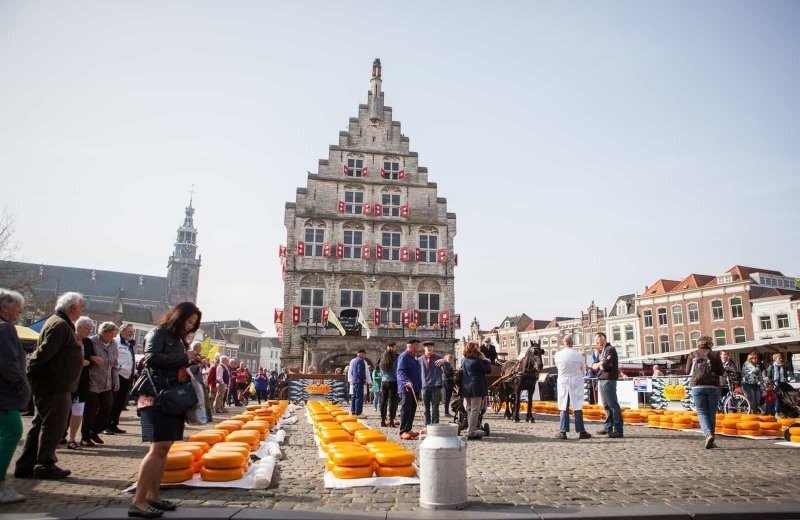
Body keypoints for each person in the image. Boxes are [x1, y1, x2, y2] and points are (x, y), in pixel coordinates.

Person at [130, 301, 202, 518]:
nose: (190, 326)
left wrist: (192, 363)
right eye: (189, 321)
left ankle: (154, 496)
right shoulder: (158, 333)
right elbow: (150, 359)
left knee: (164, 449)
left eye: (193, 324)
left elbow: (174, 364)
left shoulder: (179, 341)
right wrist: (184, 357)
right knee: (157, 448)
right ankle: (139, 500)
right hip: (155, 397)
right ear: (179, 317)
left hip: (171, 398)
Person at [15, 292, 85, 480]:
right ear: (72, 308)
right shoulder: (60, 325)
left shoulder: (59, 323)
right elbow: (41, 355)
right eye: (81, 307)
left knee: (40, 425)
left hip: (55, 385)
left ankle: (26, 464)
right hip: (55, 386)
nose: (82, 310)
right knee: (53, 426)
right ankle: (45, 463)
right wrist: (31, 376)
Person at [0, 289, 31, 503]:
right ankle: (1, 486)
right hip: (5, 395)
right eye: (18, 307)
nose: (20, 311)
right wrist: (22, 386)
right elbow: (9, 363)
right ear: (4, 307)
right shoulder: (5, 329)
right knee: (13, 431)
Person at [81, 322, 119, 447]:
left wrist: (116, 380)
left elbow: (114, 365)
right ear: (103, 332)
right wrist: (92, 358)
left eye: (114, 334)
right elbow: (84, 356)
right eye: (111, 334)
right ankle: (85, 437)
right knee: (90, 410)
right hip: (92, 381)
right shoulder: (91, 341)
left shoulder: (113, 344)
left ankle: (94, 431)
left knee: (107, 406)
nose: (113, 337)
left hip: (107, 382)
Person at [685, 335, 724, 449]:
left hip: (697, 386)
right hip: (713, 386)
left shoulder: (693, 354)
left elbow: (687, 371)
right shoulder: (715, 354)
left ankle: (707, 434)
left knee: (701, 412)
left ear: (699, 343)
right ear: (710, 343)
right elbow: (721, 372)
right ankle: (711, 438)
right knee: (711, 413)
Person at [555, 336, 591, 440]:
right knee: (577, 405)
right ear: (572, 342)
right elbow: (583, 369)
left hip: (563, 381)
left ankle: (563, 431)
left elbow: (558, 367)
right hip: (576, 380)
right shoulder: (579, 355)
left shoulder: (558, 355)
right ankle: (581, 431)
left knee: (563, 405)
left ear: (564, 342)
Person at [67, 317, 94, 450]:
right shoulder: (70, 338)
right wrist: (79, 362)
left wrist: (90, 360)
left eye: (90, 329)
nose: (89, 332)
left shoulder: (88, 342)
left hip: (82, 381)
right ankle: (59, 436)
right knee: (64, 410)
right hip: (67, 380)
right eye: (87, 329)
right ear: (78, 327)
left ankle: (72, 439)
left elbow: (90, 358)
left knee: (78, 410)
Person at [106, 324, 136, 435]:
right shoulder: (115, 342)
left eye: (132, 332)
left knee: (120, 403)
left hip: (127, 377)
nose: (131, 334)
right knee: (112, 402)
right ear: (122, 330)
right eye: (129, 331)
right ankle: (106, 425)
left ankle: (114, 424)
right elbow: (112, 358)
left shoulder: (130, 343)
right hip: (117, 376)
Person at [591, 332, 622, 438]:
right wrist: (598, 363)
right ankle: (608, 426)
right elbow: (594, 365)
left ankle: (618, 429)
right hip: (601, 378)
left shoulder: (610, 349)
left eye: (597, 338)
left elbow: (606, 365)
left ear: (603, 337)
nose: (596, 341)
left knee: (613, 405)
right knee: (606, 405)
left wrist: (599, 364)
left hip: (609, 379)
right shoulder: (601, 351)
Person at [460, 341, 492, 440]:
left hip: (466, 388)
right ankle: (471, 432)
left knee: (469, 409)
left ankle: (470, 429)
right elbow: (488, 370)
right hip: (476, 388)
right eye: (477, 347)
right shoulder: (478, 361)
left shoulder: (464, 360)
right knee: (475, 410)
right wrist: (485, 360)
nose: (479, 349)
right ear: (474, 349)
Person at [396, 338, 422, 440]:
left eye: (417, 345)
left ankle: (408, 428)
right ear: (409, 345)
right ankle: (402, 431)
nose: (417, 347)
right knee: (406, 409)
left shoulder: (413, 357)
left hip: (415, 387)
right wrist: (406, 381)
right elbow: (401, 371)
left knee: (412, 409)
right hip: (406, 388)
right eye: (415, 345)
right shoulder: (404, 356)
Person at [419, 341, 444, 425]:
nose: (430, 348)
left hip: (435, 386)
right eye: (428, 347)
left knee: (435, 408)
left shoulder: (438, 358)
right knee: (426, 409)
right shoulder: (420, 360)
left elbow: (447, 368)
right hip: (424, 386)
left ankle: (435, 425)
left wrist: (444, 361)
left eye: (431, 347)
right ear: (424, 348)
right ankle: (427, 425)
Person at [379, 342, 399, 427]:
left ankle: (383, 420)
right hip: (392, 382)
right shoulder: (394, 359)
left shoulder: (382, 360)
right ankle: (391, 421)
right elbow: (396, 371)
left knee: (383, 402)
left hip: (384, 382)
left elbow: (381, 372)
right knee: (392, 402)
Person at [764, 353, 788, 417]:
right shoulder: (771, 366)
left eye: (781, 358)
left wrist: (786, 379)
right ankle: (777, 412)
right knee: (778, 398)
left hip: (783, 383)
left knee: (786, 396)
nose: (781, 359)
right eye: (779, 358)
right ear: (775, 359)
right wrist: (773, 385)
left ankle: (784, 411)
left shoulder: (783, 366)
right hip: (775, 384)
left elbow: (785, 375)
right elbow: (769, 377)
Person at [348, 349, 368, 416]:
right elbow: (360, 371)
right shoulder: (361, 361)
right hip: (359, 381)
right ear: (362, 354)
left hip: (354, 381)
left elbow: (351, 372)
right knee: (359, 397)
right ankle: (358, 412)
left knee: (354, 396)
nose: (365, 356)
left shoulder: (353, 361)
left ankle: (353, 411)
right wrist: (364, 379)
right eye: (365, 355)